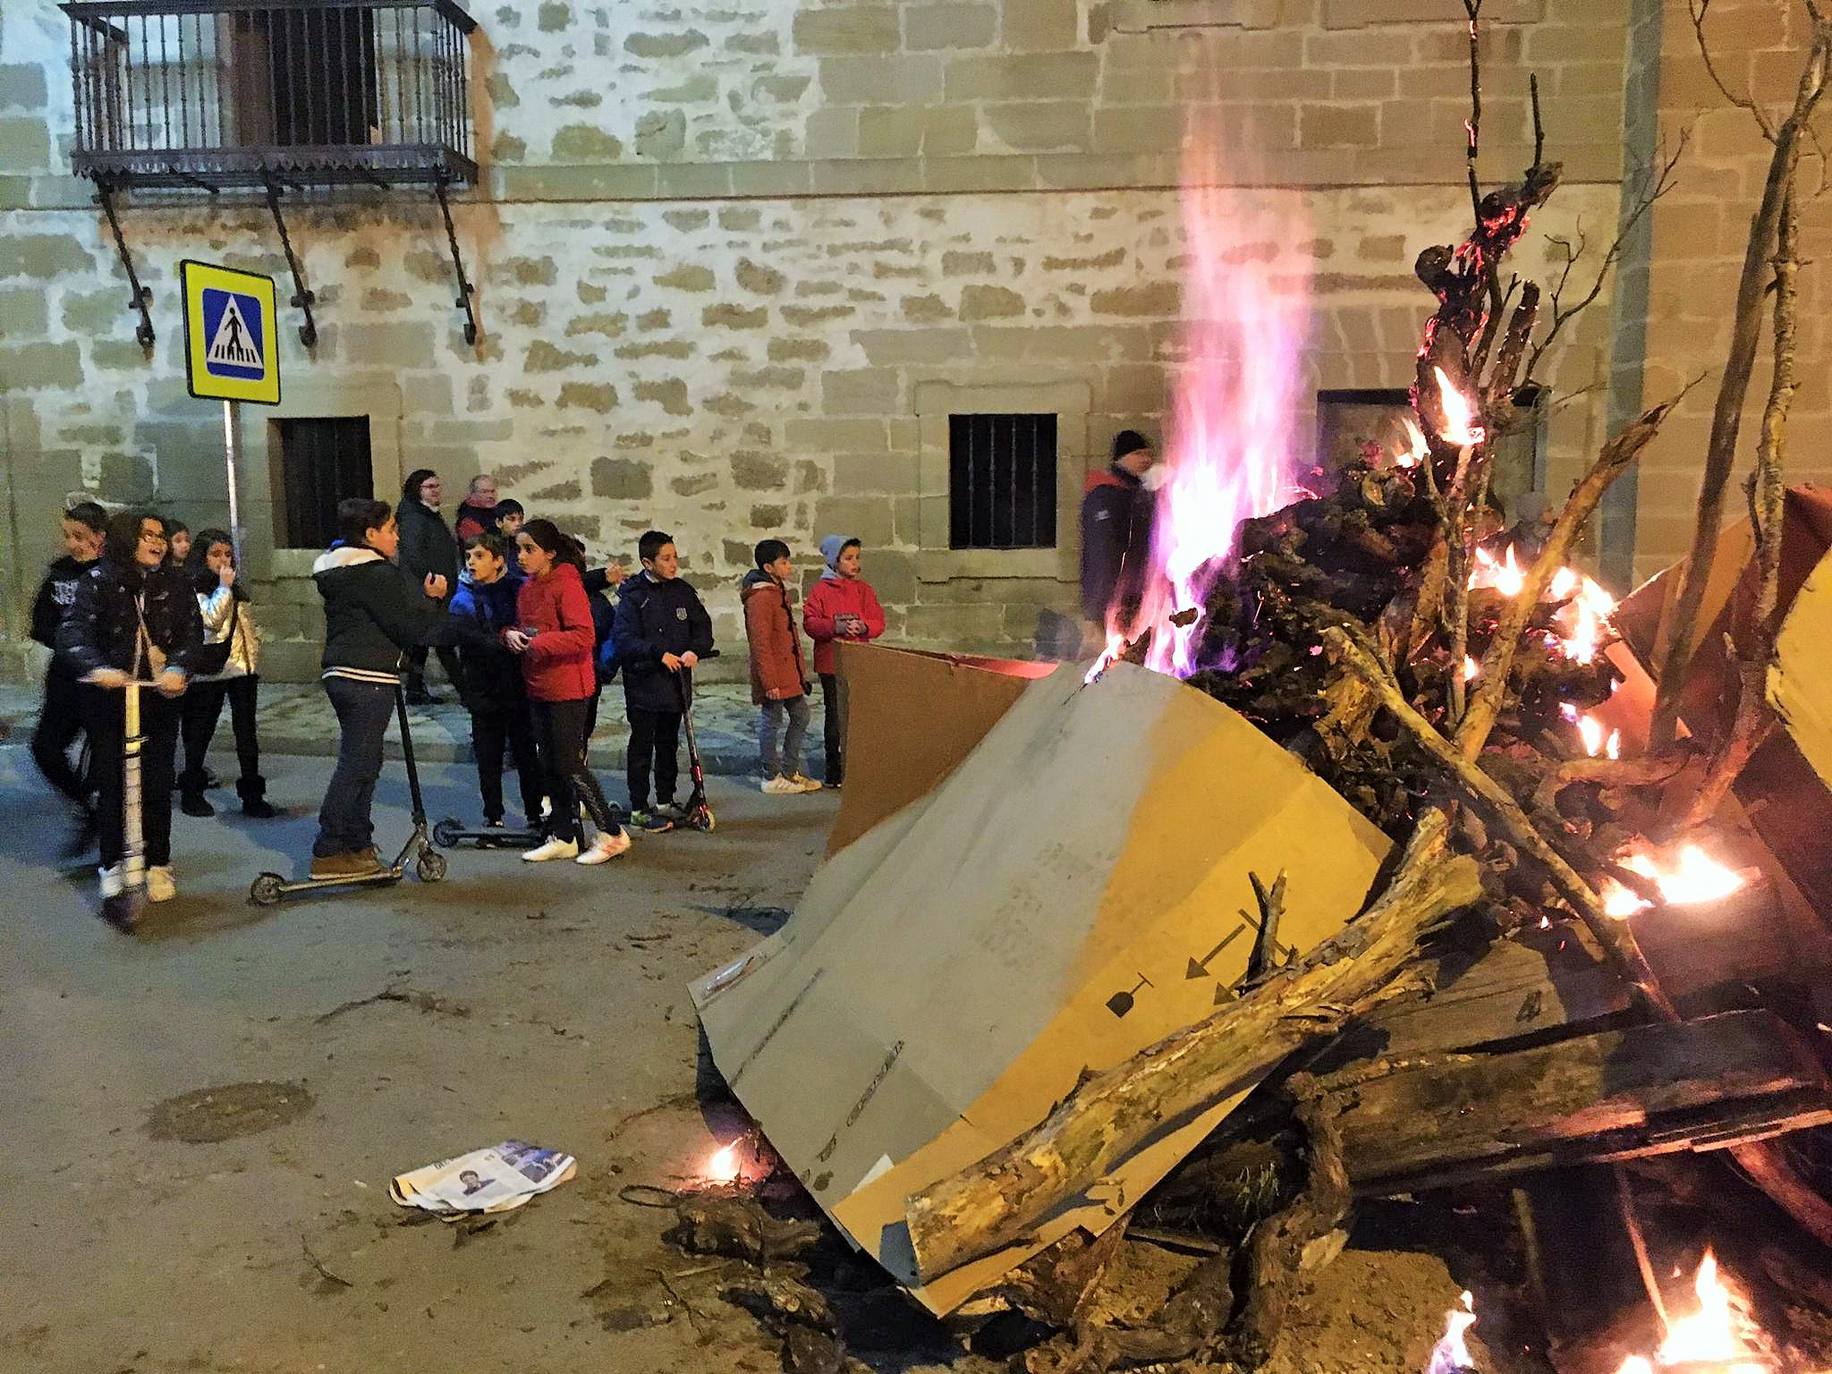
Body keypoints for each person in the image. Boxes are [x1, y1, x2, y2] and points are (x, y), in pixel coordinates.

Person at [310, 497, 465, 879]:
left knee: (366, 759)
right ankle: (330, 848)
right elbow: (410, 626)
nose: (397, 536)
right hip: (366, 675)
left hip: (345, 672)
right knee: (358, 762)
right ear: (370, 535)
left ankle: (357, 841)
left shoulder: (342, 572)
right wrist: (434, 600)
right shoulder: (375, 573)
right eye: (391, 529)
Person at [57, 511, 204, 909]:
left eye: (160, 535)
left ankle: (158, 862)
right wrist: (98, 667)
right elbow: (72, 631)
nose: (157, 542)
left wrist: (178, 667)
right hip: (110, 700)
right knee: (113, 782)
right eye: (147, 535)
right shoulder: (98, 581)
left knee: (157, 781)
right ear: (127, 540)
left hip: (157, 697)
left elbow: (193, 633)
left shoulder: (175, 583)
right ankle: (111, 861)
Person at [503, 519, 629, 865]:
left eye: (529, 550)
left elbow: (583, 635)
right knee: (550, 764)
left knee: (569, 763)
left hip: (568, 685)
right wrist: (511, 636)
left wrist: (539, 643)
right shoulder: (528, 587)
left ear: (550, 553)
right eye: (519, 550)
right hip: (538, 682)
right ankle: (564, 834)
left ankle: (611, 832)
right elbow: (528, 626)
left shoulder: (567, 585)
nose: (522, 557)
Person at [611, 530, 714, 833]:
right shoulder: (634, 596)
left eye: (675, 557)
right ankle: (639, 804)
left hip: (675, 685)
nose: (673, 564)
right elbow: (624, 639)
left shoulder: (683, 591)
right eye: (666, 559)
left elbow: (702, 627)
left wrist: (696, 649)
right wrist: (657, 653)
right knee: (643, 745)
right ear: (648, 562)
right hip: (645, 683)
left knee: (669, 743)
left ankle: (666, 798)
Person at [448, 533, 544, 831]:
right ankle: (493, 816)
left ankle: (534, 812)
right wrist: (464, 686)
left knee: (526, 752)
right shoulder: (463, 597)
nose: (472, 563)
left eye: (479, 556)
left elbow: (532, 622)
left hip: (516, 684)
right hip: (482, 686)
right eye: (469, 557)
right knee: (488, 756)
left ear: (498, 560)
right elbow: (458, 638)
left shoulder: (517, 589)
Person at [179, 531, 275, 820]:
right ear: (203, 556)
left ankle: (252, 795)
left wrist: (254, 649)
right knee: (200, 733)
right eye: (216, 554)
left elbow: (245, 623)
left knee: (246, 733)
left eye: (227, 554)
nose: (223, 560)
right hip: (211, 670)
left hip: (242, 669)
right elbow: (209, 620)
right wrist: (223, 588)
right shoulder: (196, 585)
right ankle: (191, 791)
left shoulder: (234, 586)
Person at [31, 500, 107, 854]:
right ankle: (86, 807)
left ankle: (115, 838)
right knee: (46, 747)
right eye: (67, 536)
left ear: (99, 537)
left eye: (80, 536)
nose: (72, 544)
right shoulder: (60, 572)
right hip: (64, 676)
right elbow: (41, 621)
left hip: (99, 678)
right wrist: (67, 641)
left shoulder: (111, 573)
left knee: (103, 756)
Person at [801, 535, 885, 789]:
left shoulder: (864, 591)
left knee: (858, 716)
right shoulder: (821, 592)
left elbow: (878, 621)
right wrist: (835, 626)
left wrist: (864, 626)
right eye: (848, 558)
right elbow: (811, 623)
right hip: (832, 663)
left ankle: (857, 766)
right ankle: (834, 769)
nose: (855, 563)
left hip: (859, 660)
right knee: (835, 717)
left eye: (857, 558)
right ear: (834, 561)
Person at [742, 539, 820, 795]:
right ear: (768, 567)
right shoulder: (761, 597)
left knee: (800, 715)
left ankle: (789, 770)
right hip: (775, 672)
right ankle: (771, 775)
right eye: (783, 562)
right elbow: (761, 642)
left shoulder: (777, 591)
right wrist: (769, 681)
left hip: (788, 670)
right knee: (772, 719)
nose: (789, 567)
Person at [1079, 429, 1158, 647]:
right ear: (1121, 457)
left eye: (1148, 454)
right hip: (1112, 602)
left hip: (1139, 597)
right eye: (1139, 453)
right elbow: (1100, 553)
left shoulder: (1139, 495)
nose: (1146, 460)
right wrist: (1094, 612)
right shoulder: (1104, 496)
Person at [395, 469, 463, 705]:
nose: (436, 491)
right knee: (442, 641)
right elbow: (412, 553)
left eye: (437, 486)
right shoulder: (414, 517)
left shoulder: (427, 514)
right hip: (428, 590)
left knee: (422, 642)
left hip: (435, 589)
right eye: (430, 487)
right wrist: (432, 578)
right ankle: (466, 690)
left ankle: (414, 689)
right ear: (418, 490)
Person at [453, 474, 500, 542]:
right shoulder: (468, 521)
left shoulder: (495, 510)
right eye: (484, 492)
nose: (490, 495)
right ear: (473, 494)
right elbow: (483, 546)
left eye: (492, 491)